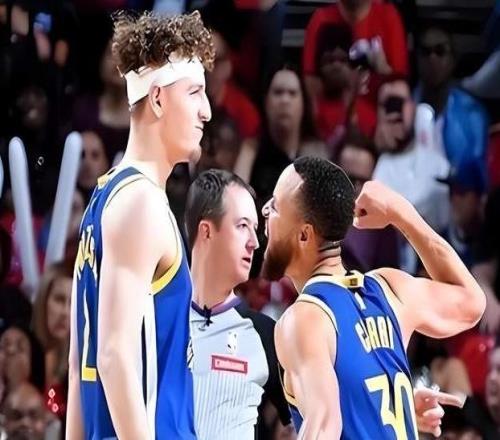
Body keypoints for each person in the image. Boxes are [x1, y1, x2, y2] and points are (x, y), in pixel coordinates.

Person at [66, 10, 214, 439]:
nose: (206, 111)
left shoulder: (105, 197)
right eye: (195, 92)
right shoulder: (141, 204)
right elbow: (113, 356)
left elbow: (79, 365)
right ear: (158, 99)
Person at [262, 156, 485, 438]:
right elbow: (471, 300)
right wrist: (401, 214)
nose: (265, 210)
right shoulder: (389, 290)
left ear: (304, 236)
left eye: (275, 207)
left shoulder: (304, 317)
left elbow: (325, 425)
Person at [184, 169, 291, 439]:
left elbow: (320, 418)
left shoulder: (265, 335)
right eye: (243, 226)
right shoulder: (156, 319)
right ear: (206, 231)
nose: (254, 243)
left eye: (255, 229)